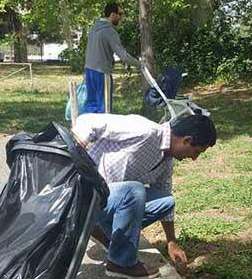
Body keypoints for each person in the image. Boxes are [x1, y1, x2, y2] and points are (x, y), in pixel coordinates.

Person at [72, 113, 217, 278]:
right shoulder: (145, 130)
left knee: (166, 202)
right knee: (134, 191)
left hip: (107, 201)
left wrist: (171, 242)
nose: (194, 158)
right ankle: (121, 263)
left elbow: (165, 194)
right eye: (196, 152)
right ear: (186, 140)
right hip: (85, 195)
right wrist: (77, 149)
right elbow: (88, 120)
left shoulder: (166, 161)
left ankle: (101, 230)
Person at [84, 2, 141, 114]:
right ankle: (104, 131)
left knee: (91, 105)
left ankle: (88, 130)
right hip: (102, 73)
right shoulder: (109, 31)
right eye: (120, 14)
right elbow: (123, 55)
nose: (121, 17)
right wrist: (140, 64)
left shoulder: (93, 28)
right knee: (104, 107)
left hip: (89, 71)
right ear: (113, 14)